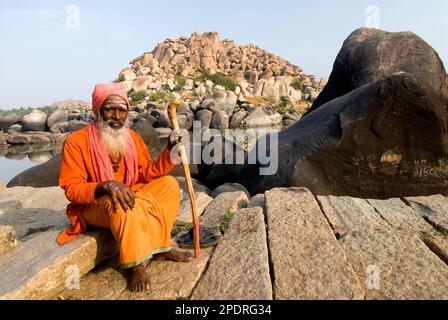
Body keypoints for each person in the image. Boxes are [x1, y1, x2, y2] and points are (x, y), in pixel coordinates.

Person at [56, 82, 192, 292]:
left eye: (122, 110)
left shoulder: (132, 138)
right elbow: (72, 189)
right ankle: (135, 266)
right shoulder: (76, 142)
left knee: (169, 185)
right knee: (120, 202)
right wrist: (106, 185)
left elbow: (146, 173)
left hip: (129, 193)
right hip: (95, 204)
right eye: (110, 109)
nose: (116, 116)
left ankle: (161, 247)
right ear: (98, 110)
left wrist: (170, 150)